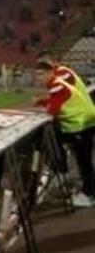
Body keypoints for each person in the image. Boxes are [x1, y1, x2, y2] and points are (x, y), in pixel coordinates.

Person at [34, 54, 95, 208]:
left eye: (41, 74)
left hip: (80, 124)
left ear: (51, 71)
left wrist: (45, 107)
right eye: (36, 74)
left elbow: (53, 109)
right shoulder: (58, 82)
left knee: (84, 161)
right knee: (79, 156)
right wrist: (42, 102)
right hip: (82, 122)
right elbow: (59, 100)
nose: (38, 78)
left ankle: (88, 194)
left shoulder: (57, 82)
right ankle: (62, 171)